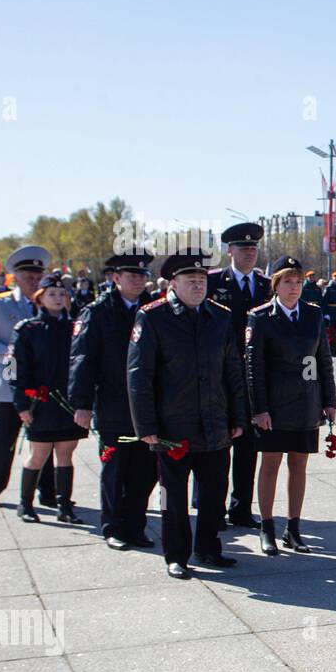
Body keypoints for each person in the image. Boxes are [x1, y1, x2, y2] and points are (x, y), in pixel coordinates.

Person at [127, 248, 249, 580]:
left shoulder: (219, 317)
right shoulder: (153, 317)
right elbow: (140, 376)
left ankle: (209, 548)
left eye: (201, 280)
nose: (198, 286)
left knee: (214, 491)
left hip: (215, 423)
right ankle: (176, 554)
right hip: (172, 426)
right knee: (173, 496)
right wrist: (146, 425)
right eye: (190, 280)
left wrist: (239, 417)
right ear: (173, 283)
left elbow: (233, 371)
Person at [246, 256, 336, 555]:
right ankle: (267, 527)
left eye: (298, 282)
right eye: (288, 281)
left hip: (306, 402)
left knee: (299, 465)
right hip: (273, 405)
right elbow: (253, 368)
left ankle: (294, 528)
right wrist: (259, 408)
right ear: (276, 284)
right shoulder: (260, 317)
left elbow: (323, 359)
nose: (294, 287)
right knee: (270, 464)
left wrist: (329, 400)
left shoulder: (312, 314)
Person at [69, 249, 159, 550]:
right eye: (132, 275)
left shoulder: (153, 309)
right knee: (115, 469)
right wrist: (81, 403)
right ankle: (113, 526)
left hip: (148, 405)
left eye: (142, 275)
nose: (138, 280)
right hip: (113, 403)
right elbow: (83, 359)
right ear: (116, 277)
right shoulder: (97, 312)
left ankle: (135, 525)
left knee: (145, 471)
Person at [0, 246, 55, 509]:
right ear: (15, 276)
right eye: (28, 275)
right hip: (10, 379)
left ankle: (48, 492)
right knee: (4, 440)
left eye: (37, 274)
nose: (34, 279)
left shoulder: (50, 302)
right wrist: (4, 352)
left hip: (44, 385)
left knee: (47, 440)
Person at [7, 272, 89, 523]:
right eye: (51, 294)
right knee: (38, 455)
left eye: (61, 293)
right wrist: (21, 404)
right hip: (39, 404)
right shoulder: (27, 329)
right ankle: (26, 504)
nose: (57, 297)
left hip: (67, 403)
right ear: (39, 299)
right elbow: (11, 369)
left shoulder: (75, 328)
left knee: (66, 454)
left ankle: (65, 506)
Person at [205, 223, 269, 528]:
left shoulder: (267, 284)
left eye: (254, 248)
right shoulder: (212, 282)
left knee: (248, 448)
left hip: (254, 378)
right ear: (229, 251)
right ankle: (212, 510)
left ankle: (241, 508)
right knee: (217, 448)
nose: (250, 253)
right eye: (244, 248)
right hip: (219, 377)